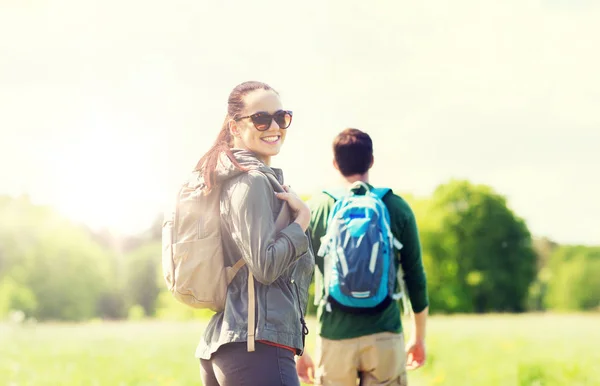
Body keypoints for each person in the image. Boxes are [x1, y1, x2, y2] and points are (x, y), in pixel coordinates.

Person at [195, 81, 315, 386]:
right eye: (261, 119)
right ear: (235, 128)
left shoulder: (240, 178)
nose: (274, 126)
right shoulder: (251, 182)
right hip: (256, 349)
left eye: (281, 117)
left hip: (239, 346)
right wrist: (302, 219)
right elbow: (265, 267)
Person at [297, 128, 429, 386]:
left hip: (334, 336)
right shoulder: (396, 206)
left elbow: (298, 283)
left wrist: (299, 348)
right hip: (385, 333)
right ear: (371, 161)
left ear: (335, 163)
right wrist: (418, 337)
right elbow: (416, 276)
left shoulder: (315, 208)